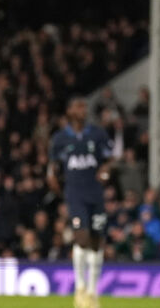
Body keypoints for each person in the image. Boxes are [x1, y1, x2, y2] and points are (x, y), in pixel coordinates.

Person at [48, 97, 112, 308]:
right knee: (81, 237)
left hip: (96, 194)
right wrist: (57, 185)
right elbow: (52, 167)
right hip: (75, 195)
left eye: (84, 106)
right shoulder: (60, 139)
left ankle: (93, 292)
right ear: (69, 111)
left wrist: (106, 169)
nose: (83, 110)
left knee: (96, 241)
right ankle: (80, 288)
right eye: (78, 106)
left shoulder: (98, 134)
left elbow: (110, 158)